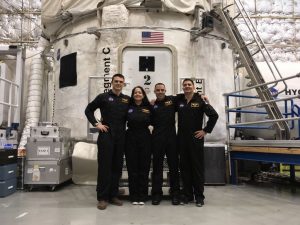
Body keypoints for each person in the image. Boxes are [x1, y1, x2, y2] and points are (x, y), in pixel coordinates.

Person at [85, 74, 130, 210]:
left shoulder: (127, 99)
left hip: (121, 136)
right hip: (106, 135)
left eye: (121, 82)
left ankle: (113, 195)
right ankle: (103, 198)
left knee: (117, 167)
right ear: (111, 83)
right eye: (116, 81)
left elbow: (139, 106)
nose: (118, 83)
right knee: (105, 167)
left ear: (123, 84)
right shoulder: (103, 97)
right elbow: (88, 110)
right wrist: (96, 124)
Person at [176, 78, 218, 207]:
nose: (187, 86)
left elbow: (214, 115)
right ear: (182, 87)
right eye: (185, 85)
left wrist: (205, 131)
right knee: (184, 168)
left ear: (194, 87)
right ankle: (187, 195)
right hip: (182, 139)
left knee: (197, 168)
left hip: (195, 139)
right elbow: (166, 100)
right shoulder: (179, 100)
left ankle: (199, 196)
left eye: (189, 85)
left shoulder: (200, 100)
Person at [151, 83, 180, 205]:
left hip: (171, 139)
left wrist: (202, 96)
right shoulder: (152, 105)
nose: (160, 91)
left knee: (174, 167)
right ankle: (157, 194)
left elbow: (187, 95)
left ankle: (175, 193)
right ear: (154, 91)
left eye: (162, 89)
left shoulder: (172, 100)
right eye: (158, 90)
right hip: (157, 139)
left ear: (165, 90)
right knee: (157, 167)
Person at [125, 86, 152, 205]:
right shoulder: (127, 107)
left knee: (144, 168)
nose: (137, 94)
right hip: (130, 138)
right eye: (135, 92)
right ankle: (133, 196)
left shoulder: (149, 107)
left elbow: (157, 120)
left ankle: (143, 196)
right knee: (132, 168)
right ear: (132, 94)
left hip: (145, 138)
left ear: (143, 94)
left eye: (140, 92)